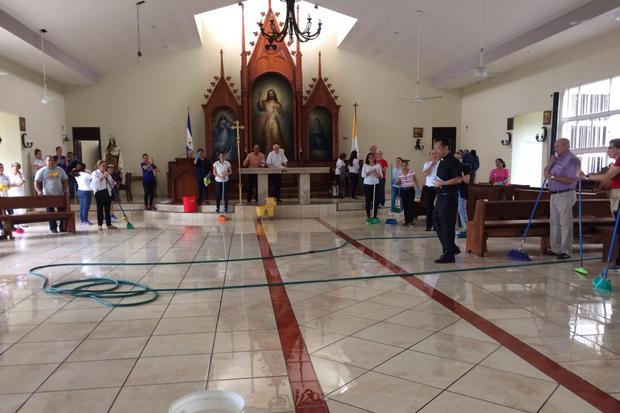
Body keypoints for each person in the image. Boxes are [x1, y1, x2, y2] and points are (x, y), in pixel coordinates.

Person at [583, 139, 620, 268]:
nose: (608, 150)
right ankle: (618, 261)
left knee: (619, 228)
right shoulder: (615, 162)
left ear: (618, 149)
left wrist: (587, 177)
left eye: (611, 148)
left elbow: (607, 177)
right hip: (615, 195)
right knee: (618, 229)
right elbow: (609, 181)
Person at [543, 138, 580, 260]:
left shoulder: (572, 160)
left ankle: (566, 250)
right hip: (554, 195)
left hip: (565, 194)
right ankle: (555, 248)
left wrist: (552, 177)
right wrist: (550, 163)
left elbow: (570, 179)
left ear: (565, 146)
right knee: (554, 223)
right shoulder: (557, 159)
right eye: (555, 146)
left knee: (565, 223)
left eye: (557, 146)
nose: (555, 149)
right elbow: (545, 173)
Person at [433, 138, 463, 263]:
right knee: (436, 222)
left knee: (447, 225)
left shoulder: (453, 161)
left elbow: (459, 179)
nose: (436, 151)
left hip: (449, 198)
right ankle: (451, 247)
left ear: (446, 148)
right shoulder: (442, 161)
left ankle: (449, 254)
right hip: (441, 197)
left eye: (438, 148)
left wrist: (443, 183)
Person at [34, 155, 69, 233]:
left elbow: (65, 180)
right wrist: (39, 191)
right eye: (49, 160)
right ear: (45, 162)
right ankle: (53, 228)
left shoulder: (60, 170)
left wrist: (66, 190)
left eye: (52, 160)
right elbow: (36, 182)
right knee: (50, 212)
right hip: (48, 195)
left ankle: (62, 227)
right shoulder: (42, 171)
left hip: (59, 194)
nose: (51, 162)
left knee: (62, 212)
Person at [90, 160, 117, 231]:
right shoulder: (95, 173)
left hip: (106, 191)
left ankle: (109, 224)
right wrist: (103, 176)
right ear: (99, 166)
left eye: (105, 166)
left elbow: (111, 182)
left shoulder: (106, 173)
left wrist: (113, 182)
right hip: (99, 192)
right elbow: (95, 183)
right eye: (103, 166)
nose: (105, 167)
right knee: (100, 209)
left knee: (107, 209)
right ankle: (99, 225)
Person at [396, 159, 419, 225]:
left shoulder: (411, 171)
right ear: (401, 166)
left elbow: (415, 179)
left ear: (407, 165)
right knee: (405, 205)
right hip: (403, 190)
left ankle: (411, 220)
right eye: (403, 165)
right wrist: (396, 182)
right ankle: (406, 220)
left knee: (410, 205)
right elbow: (398, 181)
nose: (404, 166)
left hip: (411, 190)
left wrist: (418, 188)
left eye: (405, 165)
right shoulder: (400, 173)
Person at [422, 150, 440, 231]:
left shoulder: (441, 163)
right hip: (429, 188)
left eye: (435, 153)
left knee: (438, 208)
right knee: (429, 208)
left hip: (439, 188)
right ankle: (428, 226)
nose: (434, 155)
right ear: (430, 155)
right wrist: (432, 165)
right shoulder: (427, 164)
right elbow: (426, 174)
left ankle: (436, 226)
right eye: (432, 154)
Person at [361, 152, 382, 220]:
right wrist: (370, 172)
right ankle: (368, 216)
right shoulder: (365, 165)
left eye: (372, 157)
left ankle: (375, 216)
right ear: (368, 158)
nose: (371, 158)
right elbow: (362, 175)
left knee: (376, 201)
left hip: (376, 184)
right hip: (367, 185)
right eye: (370, 157)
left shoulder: (378, 165)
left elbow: (381, 176)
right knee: (368, 201)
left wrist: (377, 174)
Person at [8, 162, 26, 234]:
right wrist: (15, 184)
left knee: (21, 209)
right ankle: (14, 224)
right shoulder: (8, 175)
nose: (16, 168)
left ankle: (21, 223)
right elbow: (8, 185)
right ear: (12, 168)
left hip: (20, 193)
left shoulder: (21, 174)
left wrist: (18, 175)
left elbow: (21, 182)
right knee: (13, 210)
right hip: (12, 193)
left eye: (18, 167)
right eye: (15, 167)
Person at [457, 162, 472, 239]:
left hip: (462, 192)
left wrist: (461, 176)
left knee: (462, 211)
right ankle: (464, 228)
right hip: (457, 192)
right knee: (460, 211)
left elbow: (467, 180)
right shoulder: (455, 168)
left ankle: (466, 229)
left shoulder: (465, 167)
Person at [0, 164, 11, 238]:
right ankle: (1, 229)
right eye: (0, 167)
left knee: (9, 213)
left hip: (5, 196)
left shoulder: (6, 177)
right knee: (1, 214)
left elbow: (9, 186)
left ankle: (8, 229)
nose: (1, 168)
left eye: (2, 167)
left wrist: (6, 187)